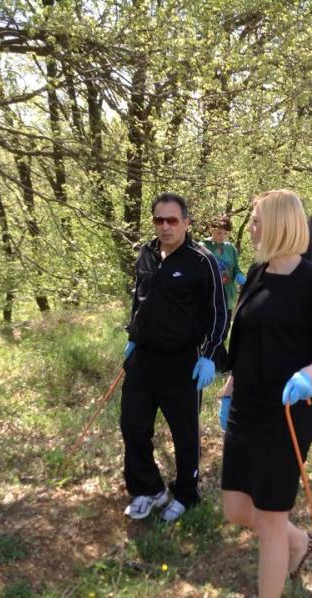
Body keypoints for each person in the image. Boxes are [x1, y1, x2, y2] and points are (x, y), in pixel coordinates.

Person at [218, 189, 312, 597]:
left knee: (269, 521)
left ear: (278, 224)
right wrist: (229, 388)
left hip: (286, 413)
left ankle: (277, 568)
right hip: (245, 408)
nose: (250, 227)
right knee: (235, 508)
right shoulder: (256, 272)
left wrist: (309, 375)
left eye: (255, 219)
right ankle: (298, 539)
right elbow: (245, 340)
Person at [121, 192, 228, 522]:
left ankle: (186, 493)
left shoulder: (201, 261)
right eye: (158, 220)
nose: (165, 227)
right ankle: (148, 489)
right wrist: (133, 336)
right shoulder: (147, 254)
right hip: (142, 360)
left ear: (186, 222)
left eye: (172, 220)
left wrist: (209, 355)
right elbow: (140, 300)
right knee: (133, 426)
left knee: (184, 434)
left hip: (183, 363)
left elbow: (219, 313)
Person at [200, 215, 247, 321]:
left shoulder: (231, 249)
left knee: (224, 328)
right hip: (209, 296)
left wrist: (239, 276)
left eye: (225, 233)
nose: (222, 236)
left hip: (227, 296)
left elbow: (235, 268)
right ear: (212, 229)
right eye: (219, 233)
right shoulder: (202, 247)